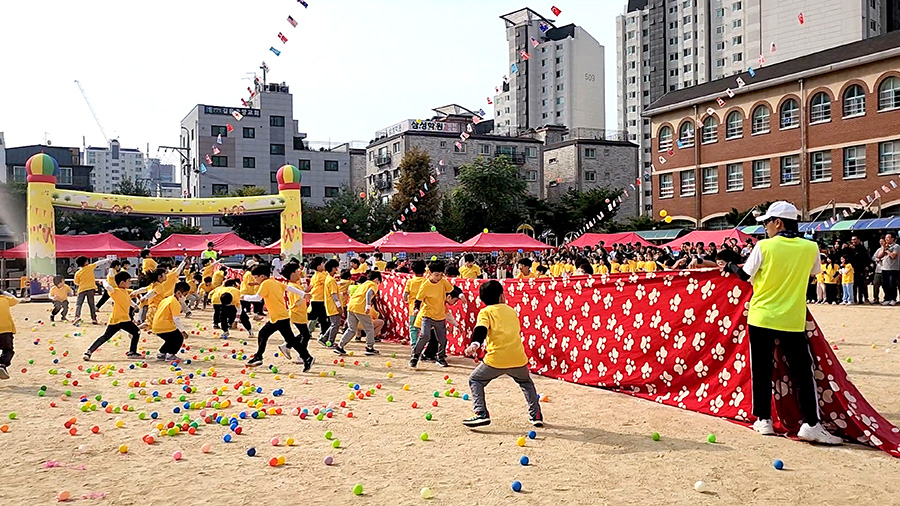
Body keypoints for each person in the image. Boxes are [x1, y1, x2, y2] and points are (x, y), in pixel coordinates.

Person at [721, 201, 841, 445]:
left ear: (778, 222)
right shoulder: (810, 247)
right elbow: (813, 272)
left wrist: (730, 265)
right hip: (791, 319)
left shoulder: (764, 246)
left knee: (761, 370)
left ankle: (763, 419)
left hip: (761, 316)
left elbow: (744, 275)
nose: (765, 227)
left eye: (767, 222)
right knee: (802, 372)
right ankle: (810, 423)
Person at [462, 280, 543, 428]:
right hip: (518, 358)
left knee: (475, 380)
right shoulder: (511, 311)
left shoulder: (485, 312)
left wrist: (475, 344)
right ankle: (536, 415)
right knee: (526, 383)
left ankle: (480, 412)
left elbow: (481, 329)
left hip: (496, 360)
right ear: (502, 296)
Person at [242, 264, 311, 369]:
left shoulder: (265, 284)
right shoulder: (274, 282)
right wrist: (303, 294)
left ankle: (258, 357)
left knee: (264, 334)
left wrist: (244, 297)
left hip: (278, 317)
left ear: (262, 276)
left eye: (256, 277)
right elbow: (289, 288)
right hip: (281, 316)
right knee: (289, 339)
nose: (255, 280)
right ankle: (307, 357)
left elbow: (258, 298)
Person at [83, 271, 149, 361]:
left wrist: (135, 306)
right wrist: (104, 282)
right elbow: (108, 287)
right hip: (121, 319)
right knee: (135, 332)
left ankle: (89, 352)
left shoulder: (125, 291)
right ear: (122, 282)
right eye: (128, 281)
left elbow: (127, 300)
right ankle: (132, 352)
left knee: (107, 336)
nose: (130, 283)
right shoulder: (115, 291)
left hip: (119, 320)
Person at [409, 261, 454, 368]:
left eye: (441, 275)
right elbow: (418, 300)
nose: (439, 278)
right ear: (430, 273)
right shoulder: (425, 285)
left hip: (440, 316)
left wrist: (459, 295)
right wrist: (416, 309)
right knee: (425, 335)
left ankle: (440, 358)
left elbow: (452, 290)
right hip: (427, 315)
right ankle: (415, 356)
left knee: (442, 339)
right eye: (436, 275)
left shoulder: (443, 282)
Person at [334, 271, 382, 356]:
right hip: (360, 307)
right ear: (376, 279)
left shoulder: (364, 284)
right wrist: (368, 305)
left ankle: (340, 346)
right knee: (369, 328)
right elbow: (369, 293)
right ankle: (370, 347)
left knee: (351, 329)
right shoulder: (373, 285)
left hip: (351, 306)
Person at [281, 263, 315, 372]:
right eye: (296, 271)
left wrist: (305, 292)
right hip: (297, 313)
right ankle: (301, 355)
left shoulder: (295, 285)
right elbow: (297, 301)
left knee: (304, 334)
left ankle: (287, 346)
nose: (299, 273)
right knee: (306, 335)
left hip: (299, 313)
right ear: (292, 274)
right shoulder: (293, 286)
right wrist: (305, 295)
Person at [151, 281, 191, 362]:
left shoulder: (167, 299)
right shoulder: (174, 302)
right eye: (185, 294)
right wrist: (182, 331)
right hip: (165, 326)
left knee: (170, 339)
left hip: (156, 326)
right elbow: (176, 319)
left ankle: (161, 353)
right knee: (178, 337)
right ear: (179, 293)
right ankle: (171, 354)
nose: (185, 297)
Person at [73, 256, 111, 325]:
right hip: (91, 288)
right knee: (91, 304)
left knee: (79, 304)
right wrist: (107, 260)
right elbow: (98, 263)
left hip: (82, 289)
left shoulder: (77, 273)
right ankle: (94, 319)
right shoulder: (90, 267)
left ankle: (77, 316)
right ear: (85, 262)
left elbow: (76, 282)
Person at [0, 289, 28, 379]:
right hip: (6, 330)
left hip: (6, 330)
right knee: (8, 350)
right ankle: (2, 364)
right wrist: (5, 293)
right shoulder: (5, 299)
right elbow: (16, 300)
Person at [318, 259, 343, 347]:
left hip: (330, 305)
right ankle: (330, 341)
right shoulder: (331, 280)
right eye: (336, 267)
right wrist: (339, 307)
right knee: (335, 325)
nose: (337, 269)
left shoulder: (329, 278)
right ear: (333, 268)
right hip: (333, 306)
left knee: (334, 324)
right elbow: (334, 295)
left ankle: (324, 338)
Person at [403, 260, 427, 348]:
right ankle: (424, 345)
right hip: (424, 308)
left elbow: (405, 294)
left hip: (412, 308)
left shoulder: (410, 281)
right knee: (424, 328)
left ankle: (414, 345)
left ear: (412, 270)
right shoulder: (426, 281)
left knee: (413, 328)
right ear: (424, 270)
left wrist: (406, 301)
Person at [307, 257, 331, 337]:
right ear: (318, 267)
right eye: (322, 263)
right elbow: (329, 281)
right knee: (322, 318)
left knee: (317, 317)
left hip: (317, 299)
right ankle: (323, 334)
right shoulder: (320, 276)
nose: (324, 265)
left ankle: (312, 332)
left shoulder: (319, 274)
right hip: (319, 300)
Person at [875, 232, 900, 305]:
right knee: (885, 284)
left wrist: (887, 250)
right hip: (884, 268)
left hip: (893, 268)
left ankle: (893, 299)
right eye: (886, 238)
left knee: (892, 284)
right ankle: (887, 298)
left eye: (888, 237)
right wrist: (884, 248)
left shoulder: (896, 246)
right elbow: (879, 256)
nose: (886, 239)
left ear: (893, 239)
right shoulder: (884, 246)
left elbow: (893, 256)